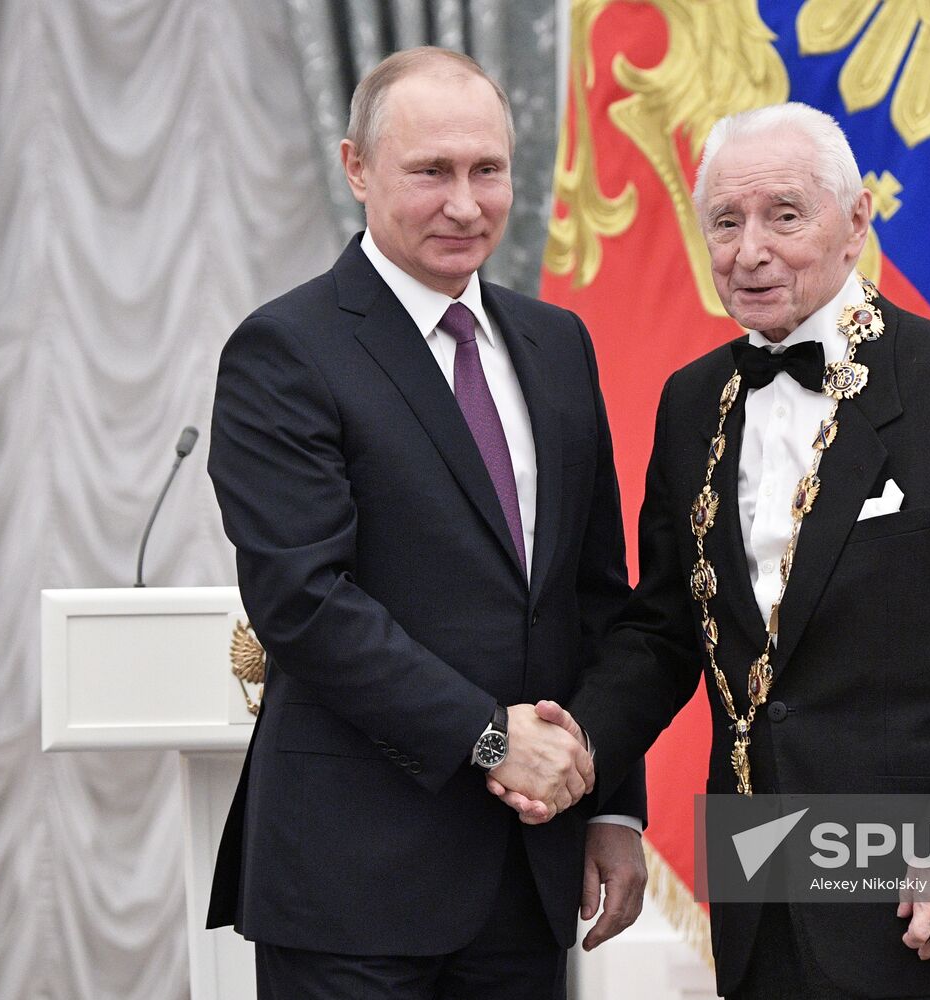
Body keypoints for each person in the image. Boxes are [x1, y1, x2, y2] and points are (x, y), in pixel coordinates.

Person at [493, 102, 930, 998]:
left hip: (924, 899)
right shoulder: (691, 404)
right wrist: (580, 750)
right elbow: (660, 632)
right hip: (760, 887)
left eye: (784, 215)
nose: (749, 249)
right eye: (725, 223)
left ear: (855, 225)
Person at [206, 47, 646, 1000]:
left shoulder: (557, 343)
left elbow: (593, 600)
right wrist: (491, 739)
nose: (465, 202)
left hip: (527, 880)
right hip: (353, 886)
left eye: (487, 169)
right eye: (431, 171)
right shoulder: (285, 349)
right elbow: (305, 602)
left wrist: (611, 807)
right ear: (356, 168)